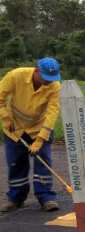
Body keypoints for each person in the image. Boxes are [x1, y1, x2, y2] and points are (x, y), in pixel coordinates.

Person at [0, 58, 62, 212]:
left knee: (43, 163)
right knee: (16, 163)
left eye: (52, 78)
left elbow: (52, 113)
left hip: (40, 129)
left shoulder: (54, 86)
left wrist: (40, 139)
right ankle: (15, 199)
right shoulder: (16, 76)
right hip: (15, 128)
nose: (49, 81)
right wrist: (5, 117)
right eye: (46, 77)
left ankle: (46, 198)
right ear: (36, 71)